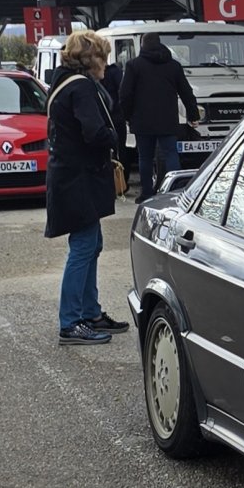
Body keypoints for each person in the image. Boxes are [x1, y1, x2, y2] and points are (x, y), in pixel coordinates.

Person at [44, 30, 129, 346]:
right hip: (78, 177)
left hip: (71, 175)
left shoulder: (63, 82)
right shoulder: (81, 87)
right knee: (83, 247)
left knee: (91, 244)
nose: (106, 63)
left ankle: (90, 312)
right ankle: (71, 322)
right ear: (90, 59)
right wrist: (113, 140)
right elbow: (93, 131)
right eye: (103, 57)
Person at [119, 31, 200, 200]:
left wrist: (127, 116)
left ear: (143, 44)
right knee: (171, 154)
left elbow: (125, 94)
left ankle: (147, 192)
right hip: (167, 119)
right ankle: (175, 191)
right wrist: (193, 115)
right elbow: (186, 92)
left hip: (142, 120)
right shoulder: (173, 66)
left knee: (145, 157)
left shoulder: (134, 65)